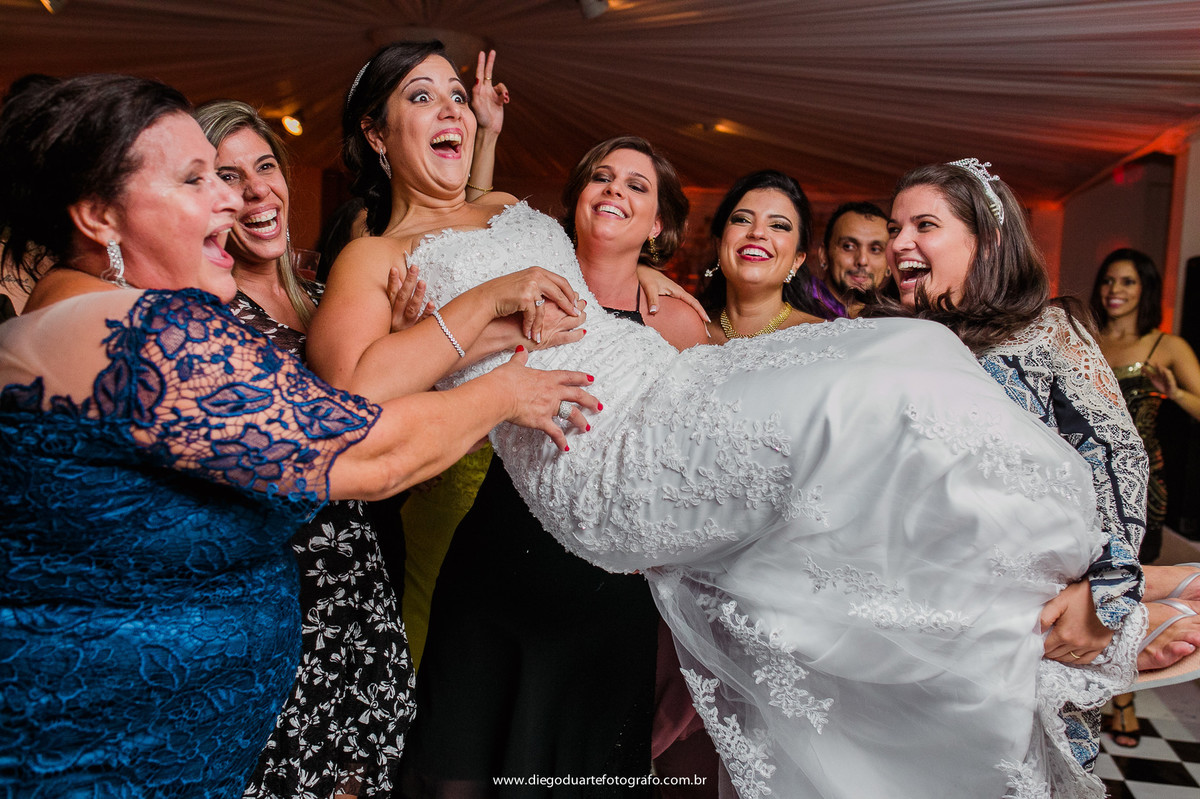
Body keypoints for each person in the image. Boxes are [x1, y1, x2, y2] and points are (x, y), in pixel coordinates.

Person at [314, 42, 1131, 799]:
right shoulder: (376, 256)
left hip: (669, 387)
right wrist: (465, 313)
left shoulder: (500, 202)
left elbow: (477, 222)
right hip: (602, 446)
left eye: (458, 95)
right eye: (423, 97)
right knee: (883, 378)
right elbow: (347, 385)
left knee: (890, 385)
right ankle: (1089, 584)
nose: (452, 109)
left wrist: (481, 143)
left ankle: (1043, 602)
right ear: (375, 134)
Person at [0, 72, 598, 795]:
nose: (230, 195)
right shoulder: (144, 331)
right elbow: (365, 451)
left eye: (247, 171)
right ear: (98, 216)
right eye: (197, 179)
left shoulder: (64, 313)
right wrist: (505, 391)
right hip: (117, 750)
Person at [403, 135, 709, 795]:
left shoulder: (679, 326)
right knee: (456, 778)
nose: (615, 191)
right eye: (601, 177)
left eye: (636, 185)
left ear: (658, 225)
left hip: (604, 600)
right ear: (574, 202)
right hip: (494, 567)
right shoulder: (520, 284)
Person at [880, 158, 1147, 774]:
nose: (899, 244)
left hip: (1023, 626)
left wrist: (1104, 594)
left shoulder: (1047, 331)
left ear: (988, 240)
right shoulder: (886, 339)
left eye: (924, 225)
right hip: (909, 619)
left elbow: (1114, 458)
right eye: (895, 229)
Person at [196, 98, 422, 798]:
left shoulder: (333, 300)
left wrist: (404, 353)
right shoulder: (203, 316)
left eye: (266, 166)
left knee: (366, 776)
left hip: (359, 575)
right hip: (275, 596)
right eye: (229, 177)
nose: (258, 189)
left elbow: (393, 462)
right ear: (200, 197)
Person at [1089, 247, 1200, 745]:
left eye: (1128, 283)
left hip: (1140, 484)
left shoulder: (1166, 345)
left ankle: (1124, 694)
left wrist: (1173, 393)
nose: (1115, 291)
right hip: (1082, 479)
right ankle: (1084, 686)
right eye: (1110, 280)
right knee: (1084, 585)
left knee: (1128, 583)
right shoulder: (1083, 338)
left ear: (1145, 290)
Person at [697, 170, 827, 340]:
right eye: (743, 220)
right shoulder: (685, 329)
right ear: (718, 244)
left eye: (779, 225)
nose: (757, 232)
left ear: (797, 260)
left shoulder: (821, 337)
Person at [813, 201, 890, 319]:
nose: (862, 261)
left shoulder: (893, 319)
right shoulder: (797, 306)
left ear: (889, 264)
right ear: (823, 255)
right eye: (848, 246)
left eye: (875, 249)